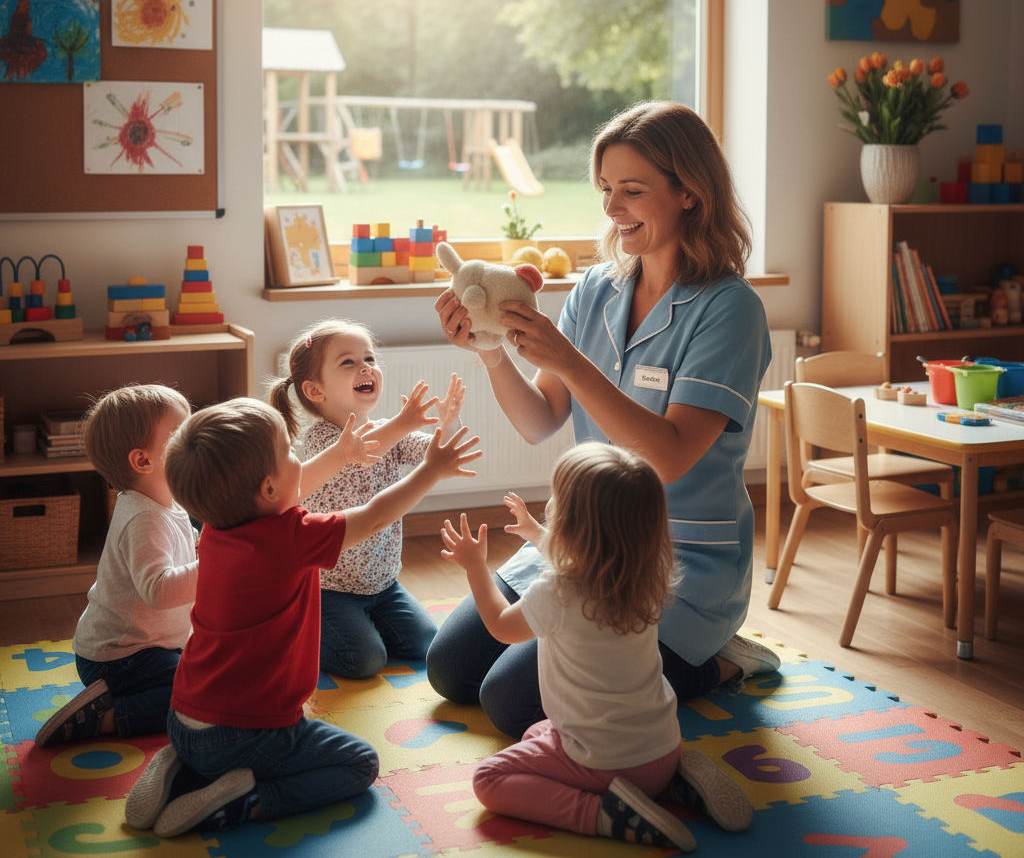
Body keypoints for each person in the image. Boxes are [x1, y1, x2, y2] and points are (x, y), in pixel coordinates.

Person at [430, 100, 778, 740]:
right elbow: (539, 422)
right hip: (580, 542)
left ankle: (719, 661)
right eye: (607, 191)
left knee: (509, 701)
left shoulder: (731, 311)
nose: (613, 209)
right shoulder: (595, 290)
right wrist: (489, 350)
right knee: (450, 668)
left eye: (633, 192)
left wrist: (569, 359)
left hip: (678, 560)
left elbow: (668, 457)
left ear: (689, 195)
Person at [124, 397, 480, 838]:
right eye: (290, 453)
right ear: (269, 489)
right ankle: (247, 799)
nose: (299, 459)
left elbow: (288, 487)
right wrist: (430, 470)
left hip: (183, 719)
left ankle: (182, 763)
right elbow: (374, 516)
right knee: (360, 764)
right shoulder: (292, 537)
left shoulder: (216, 530)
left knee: (223, 741)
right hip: (245, 735)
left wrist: (339, 455)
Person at [442, 443, 753, 852]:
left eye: (558, 501)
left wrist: (475, 567)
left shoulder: (556, 592)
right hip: (662, 747)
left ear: (573, 526)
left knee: (489, 779)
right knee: (539, 731)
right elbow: (594, 554)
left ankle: (605, 815)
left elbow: (501, 627)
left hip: (604, 765)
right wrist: (538, 534)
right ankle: (674, 780)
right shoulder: (650, 578)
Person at [268, 318, 465, 679]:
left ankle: (366, 622)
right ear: (315, 391)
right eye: (348, 362)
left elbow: (432, 455)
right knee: (363, 661)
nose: (366, 367)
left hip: (383, 584)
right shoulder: (322, 441)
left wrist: (447, 424)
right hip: (330, 590)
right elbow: (363, 451)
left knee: (427, 644)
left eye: (370, 359)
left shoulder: (382, 430)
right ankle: (298, 629)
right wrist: (404, 424)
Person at [35, 385, 195, 747]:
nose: (197, 440)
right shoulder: (144, 518)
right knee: (201, 697)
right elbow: (159, 591)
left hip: (151, 647)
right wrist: (215, 564)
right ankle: (105, 717)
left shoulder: (168, 502)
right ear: (142, 461)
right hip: (119, 658)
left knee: (215, 674)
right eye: (183, 435)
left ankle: (112, 699)